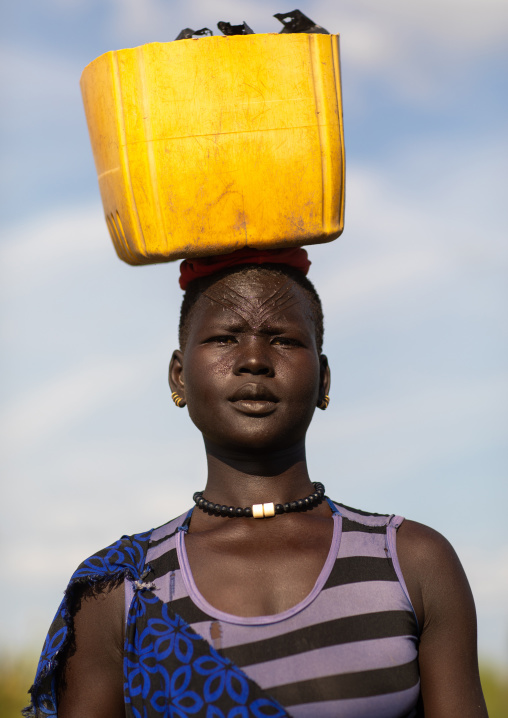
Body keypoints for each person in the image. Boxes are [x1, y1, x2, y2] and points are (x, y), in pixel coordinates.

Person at [25, 248, 488, 717]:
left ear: (324, 380)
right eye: (225, 338)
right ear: (179, 376)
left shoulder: (411, 564)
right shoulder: (119, 591)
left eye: (283, 340)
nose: (253, 360)